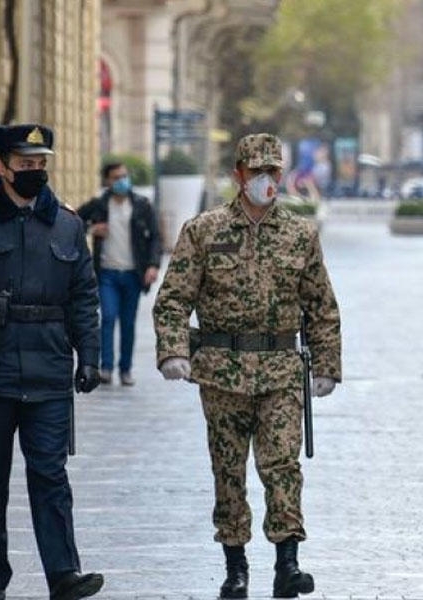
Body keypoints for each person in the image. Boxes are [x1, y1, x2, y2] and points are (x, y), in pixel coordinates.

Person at [153, 133, 341, 599]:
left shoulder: (299, 234)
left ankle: (287, 563)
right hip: (222, 370)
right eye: (256, 172)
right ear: (238, 175)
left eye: (272, 172)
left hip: (280, 370)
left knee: (282, 465)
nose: (265, 180)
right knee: (228, 469)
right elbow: (174, 299)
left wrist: (326, 364)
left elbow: (322, 305)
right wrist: (173, 350)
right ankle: (235, 566)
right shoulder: (204, 230)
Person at [0, 124, 104, 600]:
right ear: (1, 166)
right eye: (25, 164)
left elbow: (83, 297)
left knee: (51, 475)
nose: (35, 172)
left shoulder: (68, 224)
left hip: (50, 370)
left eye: (40, 163)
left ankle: (63, 574)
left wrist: (89, 357)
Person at [77, 162, 161, 386]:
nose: (122, 181)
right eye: (116, 177)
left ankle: (125, 370)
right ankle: (106, 368)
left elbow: (155, 238)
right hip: (107, 274)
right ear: (107, 181)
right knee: (108, 318)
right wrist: (92, 229)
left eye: (124, 176)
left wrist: (153, 265)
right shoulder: (99, 205)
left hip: (133, 274)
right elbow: (74, 221)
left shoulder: (142, 205)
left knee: (128, 323)